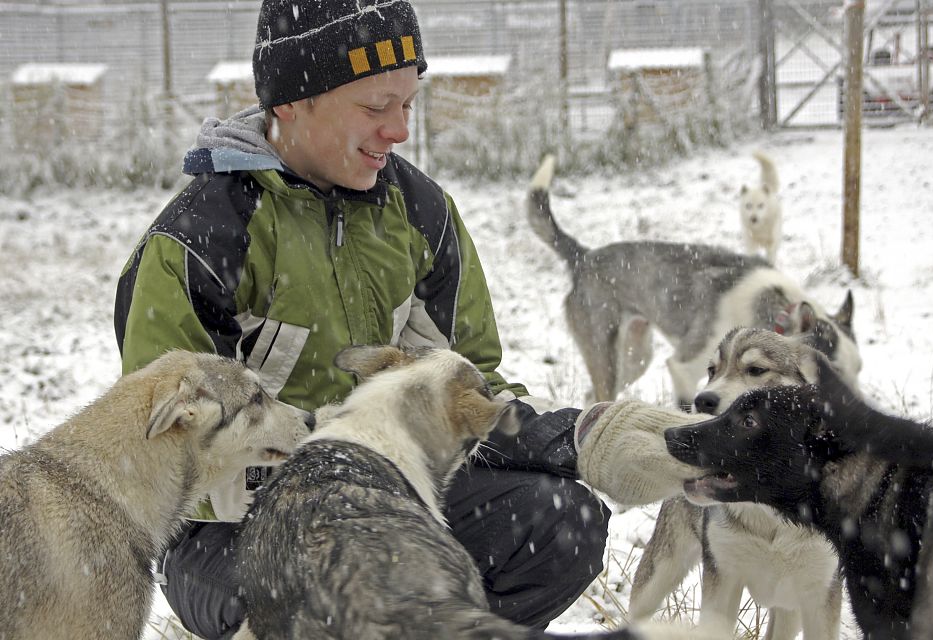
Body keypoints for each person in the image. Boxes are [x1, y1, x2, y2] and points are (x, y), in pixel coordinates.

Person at [114, 1, 609, 638]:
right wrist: (328, 482)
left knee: (560, 521)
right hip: (234, 532)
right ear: (290, 102)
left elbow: (467, 379)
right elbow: (168, 457)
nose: (400, 130)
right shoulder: (200, 240)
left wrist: (572, 439)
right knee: (323, 596)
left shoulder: (421, 212)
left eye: (409, 105)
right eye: (376, 108)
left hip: (400, 500)